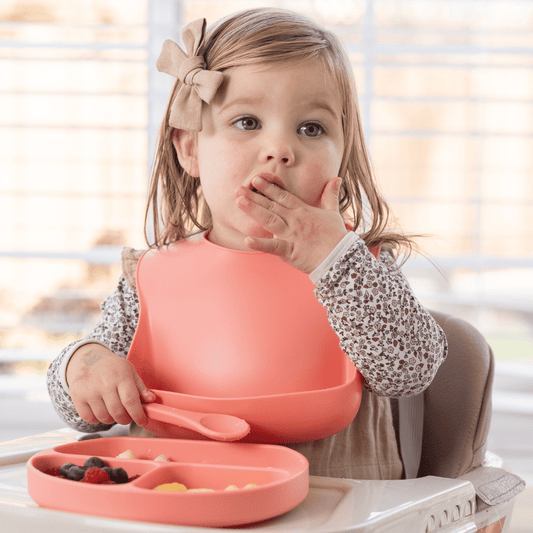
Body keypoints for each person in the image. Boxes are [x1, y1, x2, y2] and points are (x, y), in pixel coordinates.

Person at [47, 8, 447, 480]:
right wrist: (84, 364)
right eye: (248, 122)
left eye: (311, 128)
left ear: (345, 154)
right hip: (176, 505)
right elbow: (78, 408)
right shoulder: (150, 277)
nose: (280, 148)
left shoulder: (359, 270)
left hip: (331, 511)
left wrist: (333, 260)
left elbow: (410, 369)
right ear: (190, 148)